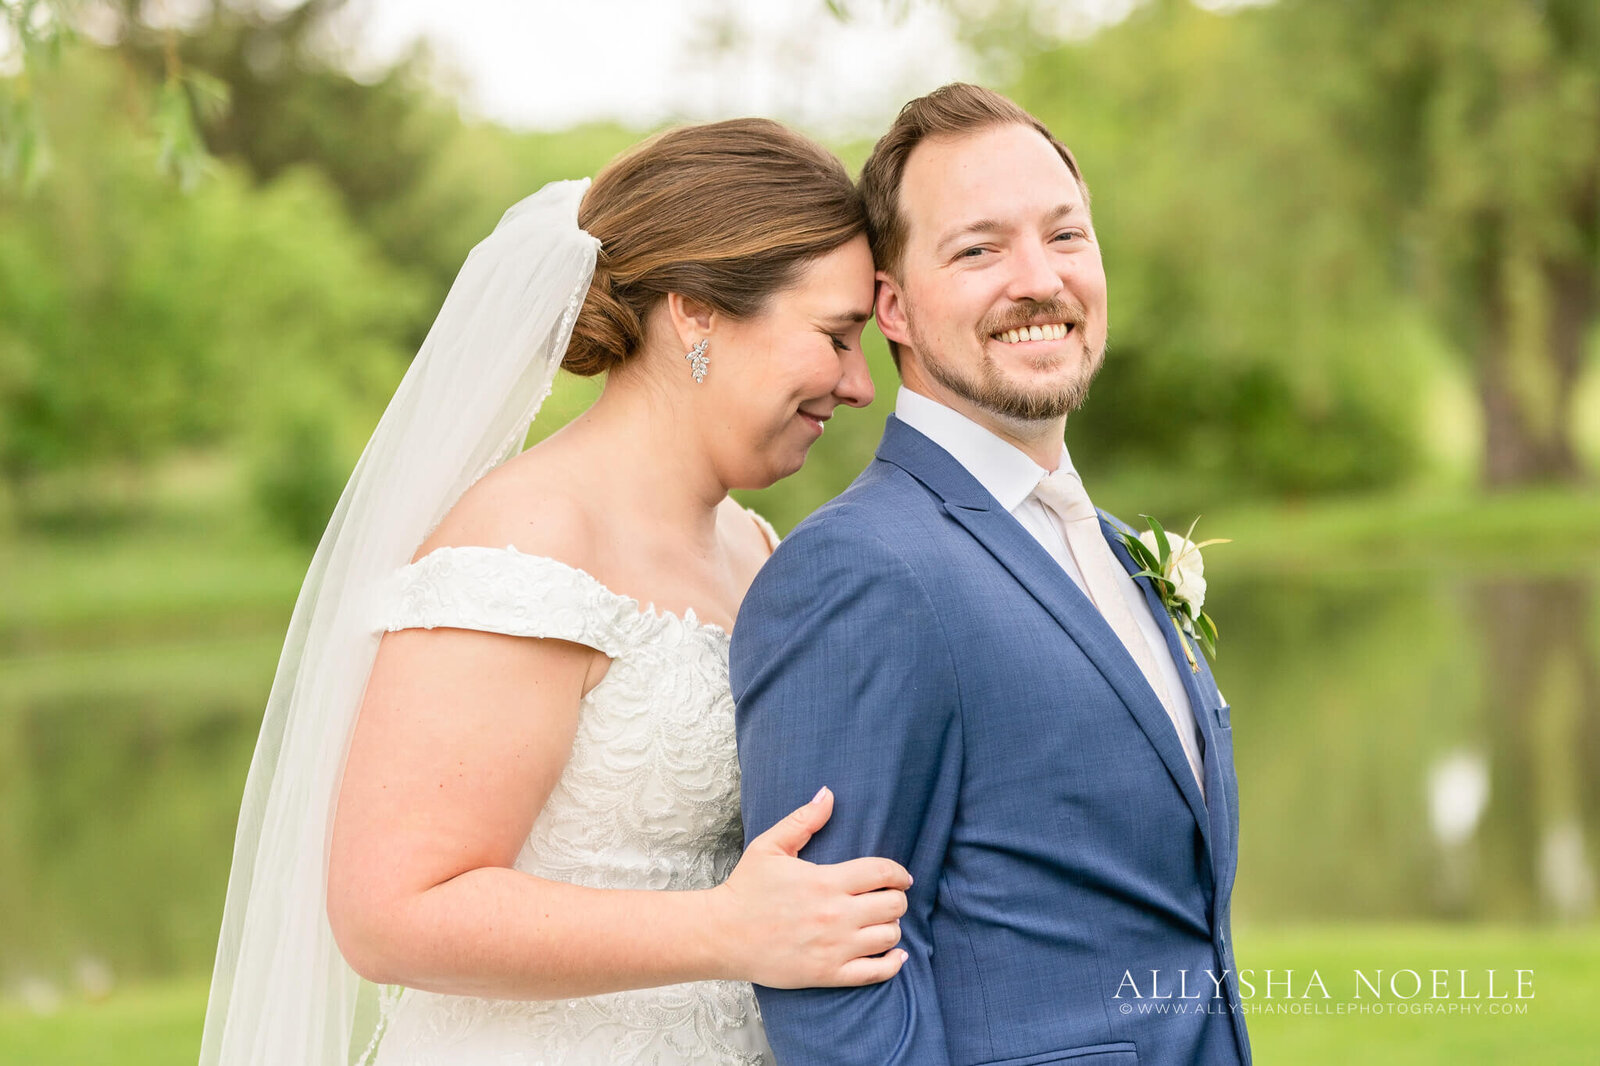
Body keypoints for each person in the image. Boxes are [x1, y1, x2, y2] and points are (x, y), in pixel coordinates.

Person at [200, 119, 913, 1066]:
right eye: (835, 337)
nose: (861, 385)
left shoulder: (752, 547)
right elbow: (391, 912)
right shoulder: (527, 543)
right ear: (695, 309)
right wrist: (726, 932)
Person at [732, 84, 1251, 1066]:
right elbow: (832, 988)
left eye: (1065, 236)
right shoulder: (860, 572)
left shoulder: (1109, 543)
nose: (1037, 279)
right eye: (977, 250)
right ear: (893, 306)